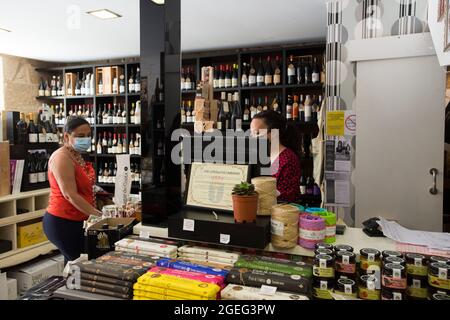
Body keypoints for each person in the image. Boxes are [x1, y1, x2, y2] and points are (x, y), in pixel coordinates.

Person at [43, 116, 102, 265]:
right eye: (80, 136)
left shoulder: (76, 155)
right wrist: (99, 215)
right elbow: (69, 195)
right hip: (63, 221)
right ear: (66, 136)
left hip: (79, 220)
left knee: (74, 265)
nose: (86, 139)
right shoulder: (61, 157)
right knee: (78, 264)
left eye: (89, 135)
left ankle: (69, 286)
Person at [251, 110, 301, 202]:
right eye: (251, 134)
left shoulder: (288, 159)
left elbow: (287, 197)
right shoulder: (258, 157)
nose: (253, 138)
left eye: (257, 133)